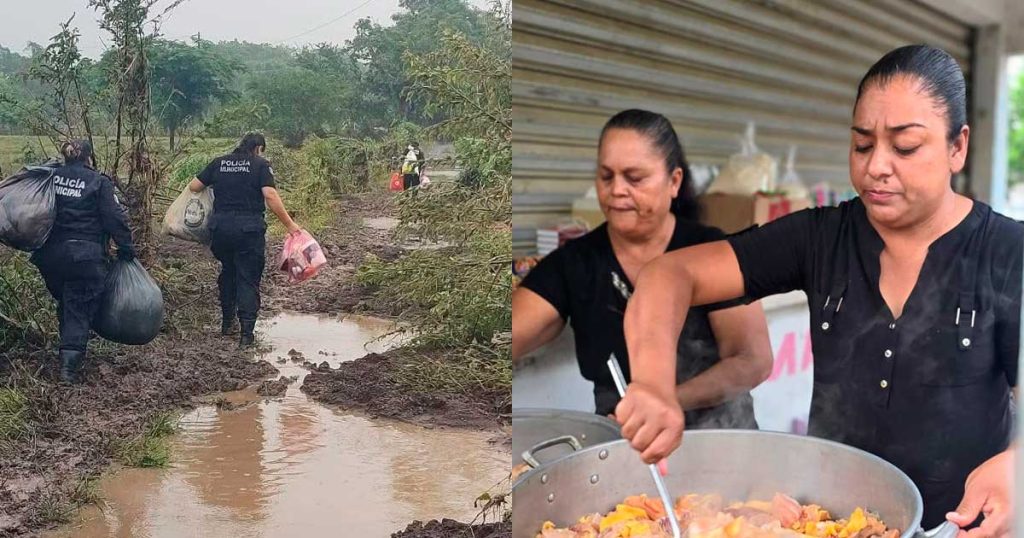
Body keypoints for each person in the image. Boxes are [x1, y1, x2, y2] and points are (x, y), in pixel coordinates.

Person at [615, 45, 1017, 534]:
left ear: (958, 147)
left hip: (959, 525)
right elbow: (669, 275)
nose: (876, 168)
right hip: (827, 520)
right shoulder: (820, 237)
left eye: (905, 147)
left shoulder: (1008, 252)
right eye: (862, 145)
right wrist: (655, 384)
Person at [512, 109, 774, 426]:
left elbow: (752, 360)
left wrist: (666, 400)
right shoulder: (575, 263)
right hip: (623, 442)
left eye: (634, 178)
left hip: (721, 439)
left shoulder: (711, 251)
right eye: (606, 176)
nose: (617, 190)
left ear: (674, 181)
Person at [30, 139, 136, 384]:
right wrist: (126, 247)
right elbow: (113, 218)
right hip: (85, 257)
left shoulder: (51, 176)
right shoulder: (98, 182)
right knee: (78, 307)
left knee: (68, 301)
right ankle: (68, 372)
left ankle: (68, 349)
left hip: (50, 258)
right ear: (89, 157)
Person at [188, 133, 301, 347]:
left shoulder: (219, 163)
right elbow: (270, 195)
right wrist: (290, 225)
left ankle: (227, 323)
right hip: (248, 232)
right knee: (247, 278)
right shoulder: (260, 165)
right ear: (258, 148)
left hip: (220, 231)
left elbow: (194, 186)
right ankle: (246, 335)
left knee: (229, 271)